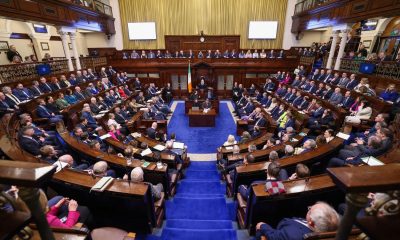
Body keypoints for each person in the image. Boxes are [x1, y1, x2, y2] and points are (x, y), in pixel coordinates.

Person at [255, 202, 340, 240]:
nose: (309, 209)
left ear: (311, 222)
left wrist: (262, 226)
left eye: (310, 210)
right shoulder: (331, 230)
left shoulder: (291, 235)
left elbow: (274, 236)